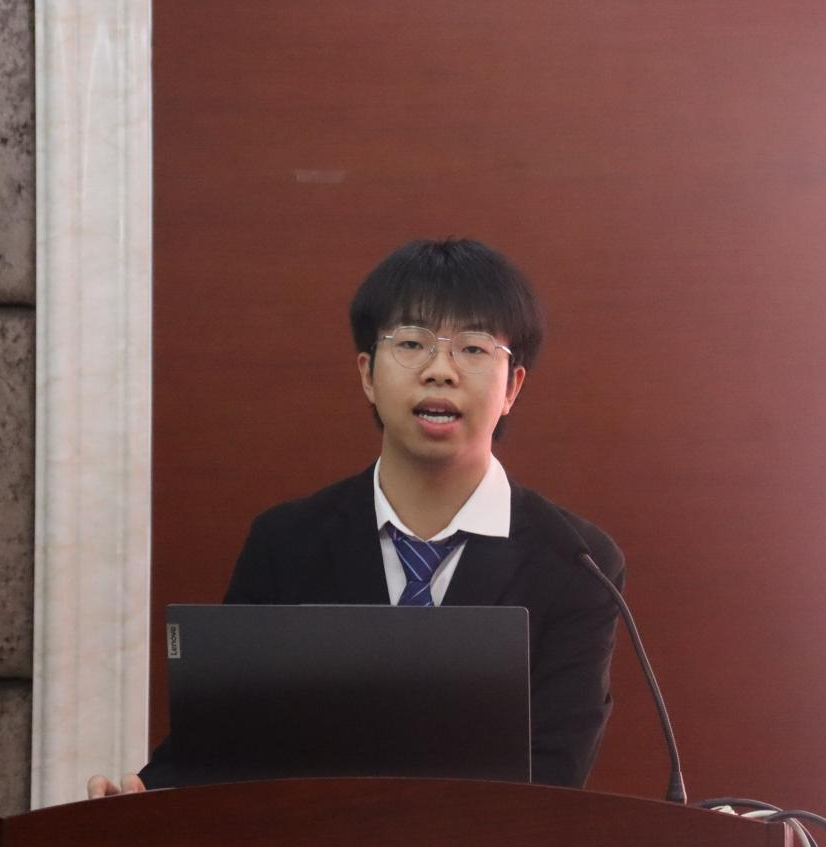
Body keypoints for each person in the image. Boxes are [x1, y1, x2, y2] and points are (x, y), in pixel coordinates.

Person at [88, 237, 623, 799]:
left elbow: (555, 775)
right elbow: (224, 743)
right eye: (412, 343)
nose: (440, 371)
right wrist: (144, 798)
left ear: (512, 385)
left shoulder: (576, 562)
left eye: (472, 348)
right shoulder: (285, 543)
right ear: (367, 374)